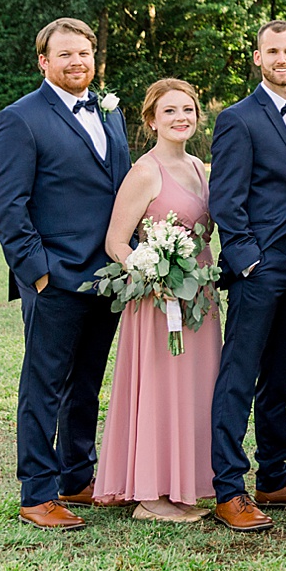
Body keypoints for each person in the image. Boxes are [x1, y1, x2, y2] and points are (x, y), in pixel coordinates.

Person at [0, 17, 133, 529]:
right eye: (65, 55)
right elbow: (7, 204)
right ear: (43, 62)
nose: (77, 63)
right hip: (56, 278)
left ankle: (77, 476)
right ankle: (37, 492)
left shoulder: (111, 115)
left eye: (85, 54)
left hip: (108, 278)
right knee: (44, 383)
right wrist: (38, 272)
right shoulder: (20, 119)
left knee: (86, 382)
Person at [208, 20, 286, 532]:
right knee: (239, 375)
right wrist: (246, 259)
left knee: (278, 376)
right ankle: (228, 487)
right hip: (260, 268)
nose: (282, 58)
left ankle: (273, 475)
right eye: (272, 51)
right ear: (257, 58)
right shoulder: (237, 119)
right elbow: (225, 199)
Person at [91, 79, 223, 523]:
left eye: (187, 109)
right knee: (162, 388)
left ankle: (181, 484)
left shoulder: (199, 167)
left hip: (198, 294)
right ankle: (150, 496)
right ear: (151, 121)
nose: (180, 117)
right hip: (159, 298)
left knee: (195, 387)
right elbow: (115, 241)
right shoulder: (145, 171)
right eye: (169, 111)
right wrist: (151, 273)